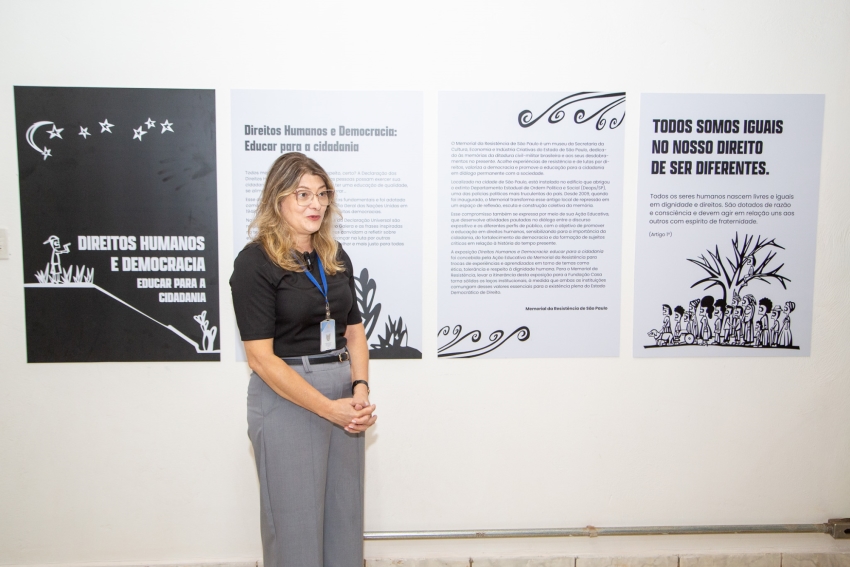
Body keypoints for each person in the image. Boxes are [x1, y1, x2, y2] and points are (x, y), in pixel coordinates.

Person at [230, 153, 376, 567]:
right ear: (278, 200)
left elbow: (354, 333)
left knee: (344, 525)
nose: (315, 204)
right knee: (296, 534)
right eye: (302, 194)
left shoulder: (333, 253)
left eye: (322, 194)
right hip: (287, 398)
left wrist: (359, 390)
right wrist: (329, 409)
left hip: (342, 397)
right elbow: (260, 359)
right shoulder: (255, 262)